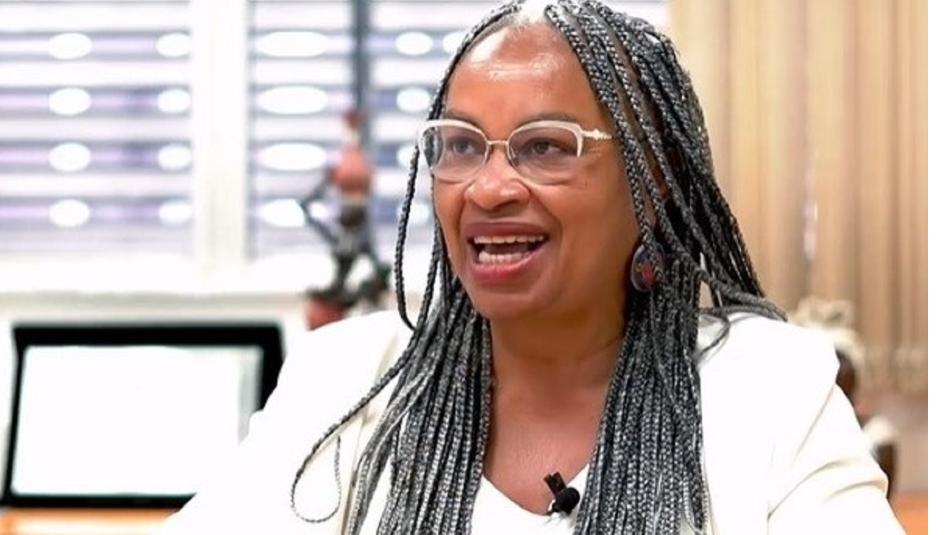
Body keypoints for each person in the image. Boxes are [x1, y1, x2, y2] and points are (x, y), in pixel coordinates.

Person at [162, 1, 904, 533]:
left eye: (545, 146)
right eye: (460, 145)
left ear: (654, 184)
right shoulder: (344, 380)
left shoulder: (770, 388)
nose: (488, 188)